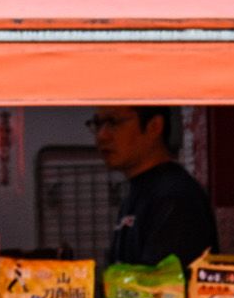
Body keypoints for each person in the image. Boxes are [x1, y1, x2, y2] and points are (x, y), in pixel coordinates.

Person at [90, 105, 218, 267]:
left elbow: (162, 288)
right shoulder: (142, 190)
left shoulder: (174, 196)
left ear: (154, 126)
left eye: (113, 122)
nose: (102, 136)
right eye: (97, 124)